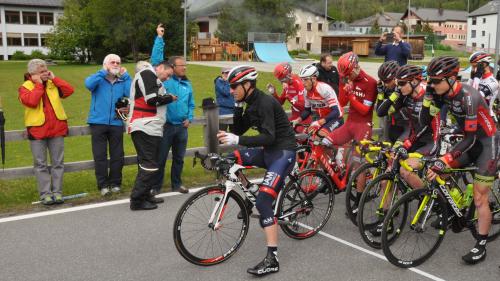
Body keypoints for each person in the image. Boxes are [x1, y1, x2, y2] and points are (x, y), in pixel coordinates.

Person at [217, 65, 296, 276]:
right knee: (229, 159)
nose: (231, 89)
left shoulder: (265, 102)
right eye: (230, 86)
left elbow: (269, 137)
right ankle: (251, 192)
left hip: (283, 152)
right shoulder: (249, 103)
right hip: (269, 150)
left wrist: (239, 140)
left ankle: (273, 259)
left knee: (262, 202)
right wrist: (236, 106)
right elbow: (237, 130)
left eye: (234, 86)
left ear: (247, 84)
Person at [422, 56, 499, 264]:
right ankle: (455, 209)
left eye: (436, 80)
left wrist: (445, 158)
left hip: (486, 143)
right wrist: (428, 100)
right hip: (469, 139)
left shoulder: (468, 96)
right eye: (430, 80)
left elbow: (472, 138)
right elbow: (425, 122)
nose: (432, 84)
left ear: (450, 79)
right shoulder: (443, 93)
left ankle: (481, 245)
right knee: (440, 173)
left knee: (480, 197)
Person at [322, 52, 377, 215]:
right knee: (324, 142)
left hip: (363, 125)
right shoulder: (347, 78)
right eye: (345, 75)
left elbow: (365, 110)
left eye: (348, 74)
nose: (348, 77)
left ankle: (359, 200)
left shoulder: (371, 83)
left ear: (356, 68)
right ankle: (335, 173)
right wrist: (342, 84)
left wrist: (352, 94)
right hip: (349, 124)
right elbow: (342, 102)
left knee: (358, 162)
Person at [18, 59, 74, 205]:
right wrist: (38, 85)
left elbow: (69, 91)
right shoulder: (25, 87)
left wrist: (54, 78)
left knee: (58, 163)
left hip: (56, 128)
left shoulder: (52, 83)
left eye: (46, 70)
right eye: (42, 72)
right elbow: (31, 102)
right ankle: (46, 194)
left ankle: (58, 193)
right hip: (37, 130)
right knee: (40, 164)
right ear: (33, 74)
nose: (45, 73)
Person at [151, 24, 195, 195]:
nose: (184, 67)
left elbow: (191, 104)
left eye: (185, 65)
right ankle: (156, 187)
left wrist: (189, 118)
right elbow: (156, 61)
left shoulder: (187, 84)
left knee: (179, 159)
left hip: (182, 127)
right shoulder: (165, 80)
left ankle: (176, 184)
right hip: (166, 127)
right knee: (160, 159)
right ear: (172, 67)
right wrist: (160, 38)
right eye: (181, 65)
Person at [127, 61, 177, 210]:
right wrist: (170, 98)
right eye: (168, 75)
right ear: (160, 68)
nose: (167, 78)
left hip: (150, 126)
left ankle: (145, 194)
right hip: (144, 126)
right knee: (149, 164)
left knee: (150, 163)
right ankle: (137, 201)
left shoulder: (151, 77)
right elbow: (152, 99)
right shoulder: (147, 74)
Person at [85, 54, 131, 196]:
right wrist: (104, 71)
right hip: (98, 122)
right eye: (113, 62)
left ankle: (115, 183)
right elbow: (88, 84)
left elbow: (132, 93)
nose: (116, 64)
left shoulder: (122, 81)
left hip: (116, 122)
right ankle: (103, 185)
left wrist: (127, 77)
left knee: (118, 155)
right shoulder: (98, 79)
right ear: (105, 64)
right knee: (100, 156)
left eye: (118, 62)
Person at [291, 64, 343, 137]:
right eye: (301, 79)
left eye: (305, 79)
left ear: (314, 79)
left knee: (320, 135)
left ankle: (333, 148)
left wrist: (319, 122)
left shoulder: (324, 89)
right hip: (322, 119)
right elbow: (307, 110)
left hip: (336, 118)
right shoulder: (306, 92)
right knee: (306, 136)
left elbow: (336, 112)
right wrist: (298, 120)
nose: (303, 83)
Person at [267, 62, 310, 133]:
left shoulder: (299, 83)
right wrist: (274, 93)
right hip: (295, 115)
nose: (281, 82)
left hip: (304, 117)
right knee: (278, 131)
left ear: (288, 75)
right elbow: (280, 102)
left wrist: (289, 97)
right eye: (279, 79)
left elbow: (303, 107)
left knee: (298, 138)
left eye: (282, 79)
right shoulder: (287, 83)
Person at [375, 60, 409, 142]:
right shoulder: (388, 88)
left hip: (407, 128)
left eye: (387, 81)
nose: (386, 84)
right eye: (383, 82)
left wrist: (395, 94)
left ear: (396, 78)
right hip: (394, 126)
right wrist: (381, 93)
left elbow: (382, 111)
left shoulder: (405, 89)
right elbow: (379, 111)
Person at [468, 51, 499, 124]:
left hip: (487, 118)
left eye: (475, 66)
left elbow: (475, 97)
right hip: (474, 116)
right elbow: (465, 92)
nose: (473, 69)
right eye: (472, 67)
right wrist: (472, 78)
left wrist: (477, 76)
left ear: (484, 64)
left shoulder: (493, 82)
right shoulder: (477, 79)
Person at [214, 67, 234, 132]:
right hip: (223, 111)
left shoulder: (232, 82)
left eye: (229, 73)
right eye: (226, 73)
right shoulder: (219, 82)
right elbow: (226, 92)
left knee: (234, 133)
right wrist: (227, 82)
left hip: (233, 110)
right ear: (222, 74)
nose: (227, 74)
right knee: (222, 132)